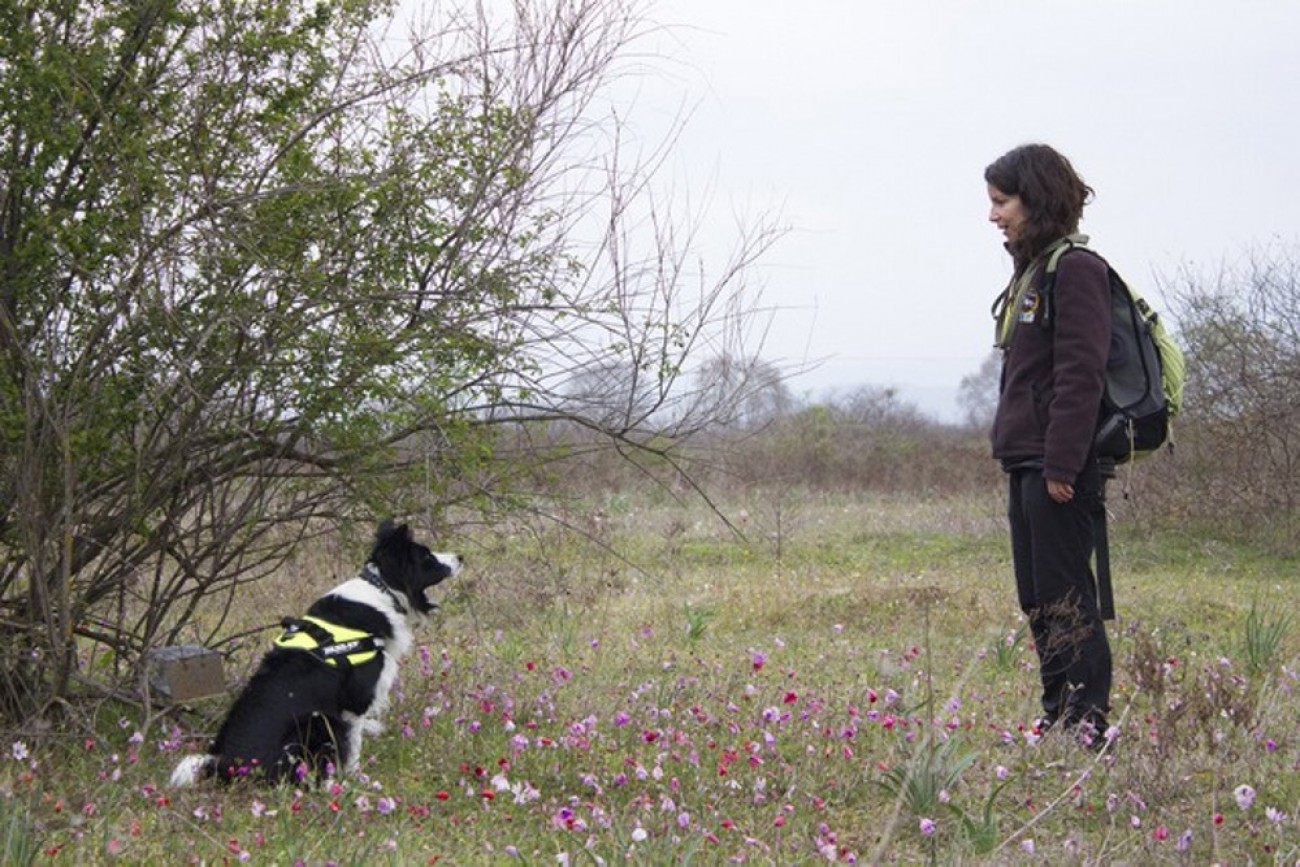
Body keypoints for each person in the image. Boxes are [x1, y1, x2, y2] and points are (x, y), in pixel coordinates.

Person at [985, 143, 1112, 748]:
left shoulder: (1078, 270)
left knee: (1068, 598)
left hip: (1057, 465)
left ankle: (1087, 723)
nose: (994, 216)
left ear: (1034, 199)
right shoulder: (1033, 270)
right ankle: (1057, 715)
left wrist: (1063, 462)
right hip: (1026, 459)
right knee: (1037, 599)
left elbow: (1080, 373)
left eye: (1001, 202)